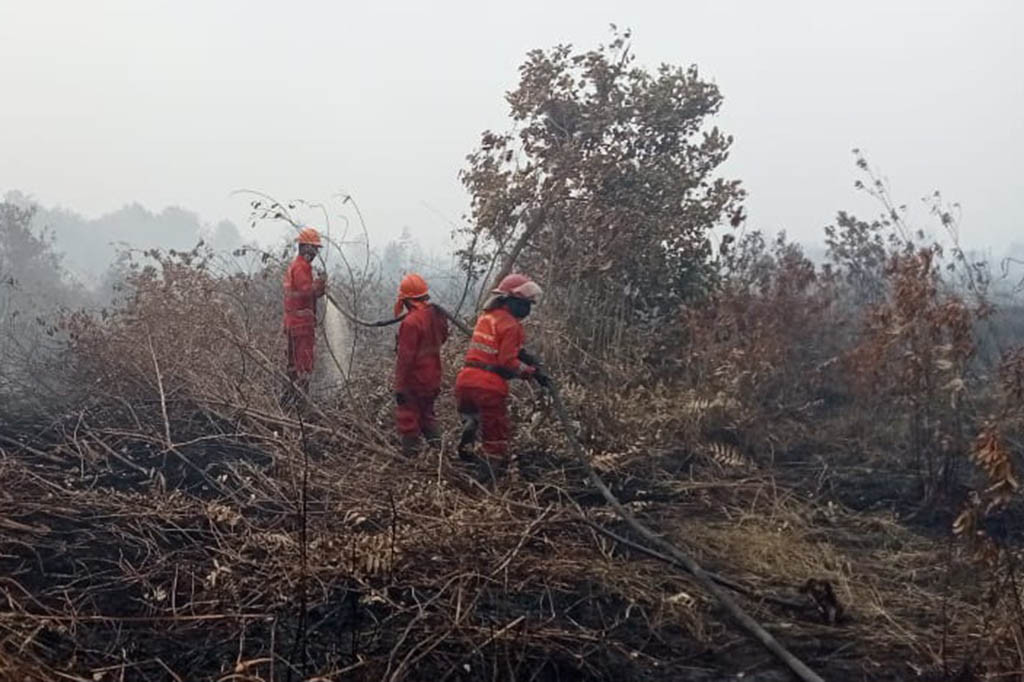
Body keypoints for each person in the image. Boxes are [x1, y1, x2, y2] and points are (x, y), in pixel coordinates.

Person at [454, 273, 547, 482]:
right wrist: (531, 372)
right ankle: (487, 483)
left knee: (474, 421)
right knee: (495, 437)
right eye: (526, 304)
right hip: (489, 386)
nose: (528, 309)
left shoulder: (486, 317)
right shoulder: (512, 325)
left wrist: (524, 355)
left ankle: (467, 453)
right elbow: (507, 362)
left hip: (465, 381)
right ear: (513, 301)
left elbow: (495, 347)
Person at [393, 273, 449, 456]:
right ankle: (440, 455)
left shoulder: (411, 322)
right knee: (427, 416)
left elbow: (405, 359)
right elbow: (443, 337)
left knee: (408, 417)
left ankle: (411, 459)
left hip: (415, 380)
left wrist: (400, 387)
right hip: (433, 376)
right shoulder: (436, 315)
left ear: (406, 299)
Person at [282, 227, 327, 400]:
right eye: (314, 248)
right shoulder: (301, 267)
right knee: (303, 364)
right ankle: (300, 401)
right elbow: (307, 291)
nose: (315, 253)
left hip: (293, 322)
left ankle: (290, 398)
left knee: (294, 363)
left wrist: (319, 286)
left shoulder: (297, 266)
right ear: (305, 247)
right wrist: (320, 283)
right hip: (301, 325)